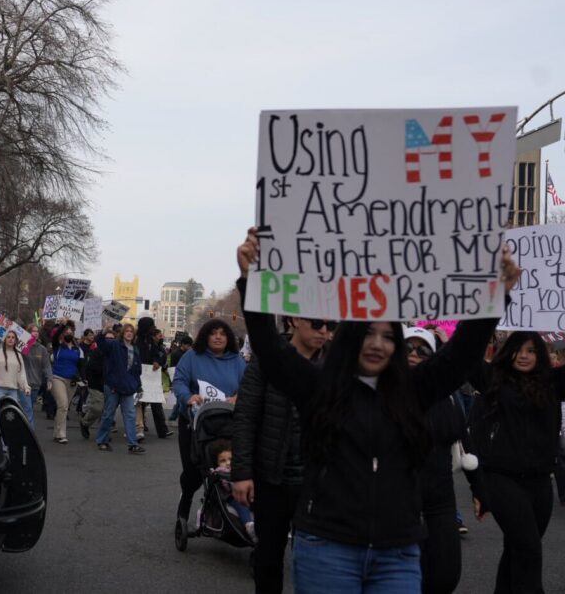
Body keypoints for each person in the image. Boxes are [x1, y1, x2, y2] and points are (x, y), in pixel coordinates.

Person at [236, 226, 520, 593]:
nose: (377, 344)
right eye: (367, 334)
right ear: (350, 340)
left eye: (388, 336)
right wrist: (250, 280)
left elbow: (460, 355)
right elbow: (271, 353)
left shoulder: (414, 391)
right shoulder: (319, 387)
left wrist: (496, 294)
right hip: (327, 547)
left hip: (396, 553)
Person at [232, 315, 330, 594]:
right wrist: (242, 473)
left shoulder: (335, 365)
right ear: (296, 320)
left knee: (315, 560)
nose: (324, 331)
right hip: (271, 478)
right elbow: (246, 416)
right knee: (269, 557)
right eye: (317, 323)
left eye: (331, 326)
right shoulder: (268, 360)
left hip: (316, 483)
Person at [468, 331, 565, 594]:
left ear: (542, 354)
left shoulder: (553, 382)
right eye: (518, 349)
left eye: (531, 350)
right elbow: (462, 357)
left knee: (517, 548)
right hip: (501, 478)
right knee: (529, 548)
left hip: (540, 480)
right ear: (506, 351)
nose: (523, 356)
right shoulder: (492, 379)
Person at [403, 326, 478, 594]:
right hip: (397, 500)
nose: (414, 354)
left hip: (440, 499)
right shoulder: (385, 391)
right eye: (407, 348)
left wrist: (477, 488)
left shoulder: (447, 396)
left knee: (445, 576)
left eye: (422, 349)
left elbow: (463, 438)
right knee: (404, 577)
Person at [171, 318, 247, 524]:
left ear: (228, 338)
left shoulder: (237, 361)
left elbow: (248, 387)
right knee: (193, 472)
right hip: (195, 423)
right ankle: (186, 500)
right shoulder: (192, 357)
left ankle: (225, 511)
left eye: (222, 333)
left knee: (225, 471)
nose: (218, 336)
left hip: (227, 425)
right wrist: (188, 397)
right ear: (206, 336)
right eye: (213, 332)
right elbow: (179, 381)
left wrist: (239, 396)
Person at [94, 322, 145, 454]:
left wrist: (138, 386)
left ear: (134, 335)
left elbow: (137, 370)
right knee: (108, 414)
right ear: (122, 333)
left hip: (128, 387)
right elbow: (101, 344)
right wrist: (103, 331)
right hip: (113, 386)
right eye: (127, 331)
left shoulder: (136, 349)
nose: (129, 333)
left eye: (131, 332)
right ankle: (102, 440)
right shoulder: (114, 345)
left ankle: (132, 444)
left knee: (130, 415)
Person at [49, 320, 86, 444]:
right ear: (62, 334)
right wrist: (63, 325)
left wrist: (83, 379)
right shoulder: (57, 346)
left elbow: (81, 366)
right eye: (66, 331)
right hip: (57, 378)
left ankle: (56, 432)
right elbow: (54, 336)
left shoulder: (78, 349)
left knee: (64, 408)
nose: (69, 333)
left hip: (72, 381)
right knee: (63, 405)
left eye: (71, 331)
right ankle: (61, 434)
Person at [209, 438, 254, 536]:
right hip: (230, 496)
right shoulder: (220, 471)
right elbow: (225, 485)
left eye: (230, 459)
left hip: (245, 492)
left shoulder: (238, 467)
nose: (228, 463)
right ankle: (249, 525)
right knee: (242, 506)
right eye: (223, 460)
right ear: (217, 463)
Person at [135, 317, 171, 441]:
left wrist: (156, 361)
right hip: (137, 375)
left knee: (155, 402)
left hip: (150, 376)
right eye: (151, 326)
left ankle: (162, 430)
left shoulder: (151, 341)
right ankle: (138, 428)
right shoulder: (135, 339)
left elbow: (158, 354)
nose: (153, 328)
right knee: (138, 402)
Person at [0, 331, 30, 419]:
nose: (10, 339)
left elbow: (21, 373)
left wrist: (25, 387)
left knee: (10, 417)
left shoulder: (18, 355)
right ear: (4, 340)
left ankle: (6, 433)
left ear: (16, 341)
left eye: (13, 337)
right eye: (8, 337)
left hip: (12, 390)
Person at [79, 328, 106, 439]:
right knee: (98, 408)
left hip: (110, 385)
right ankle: (85, 422)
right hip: (96, 384)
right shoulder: (95, 352)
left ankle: (104, 434)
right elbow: (90, 368)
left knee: (107, 411)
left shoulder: (115, 353)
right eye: (107, 339)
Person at [22, 325, 52, 425]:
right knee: (28, 409)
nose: (35, 333)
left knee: (28, 408)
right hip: (24, 384)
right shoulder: (23, 346)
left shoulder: (42, 349)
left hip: (36, 384)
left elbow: (46, 365)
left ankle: (22, 427)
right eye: (33, 331)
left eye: (37, 331)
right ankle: (30, 432)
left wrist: (49, 379)